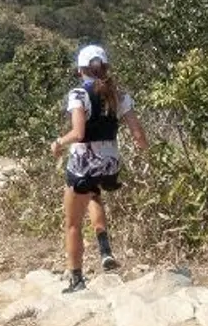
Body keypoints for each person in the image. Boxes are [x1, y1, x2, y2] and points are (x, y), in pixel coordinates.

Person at [48, 43, 148, 294]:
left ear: (80, 69)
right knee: (93, 194)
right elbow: (138, 134)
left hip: (84, 163)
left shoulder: (79, 94)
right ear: (106, 68)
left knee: (72, 223)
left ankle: (76, 279)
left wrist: (58, 143)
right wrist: (146, 155)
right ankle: (105, 250)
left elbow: (78, 133)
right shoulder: (119, 95)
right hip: (110, 164)